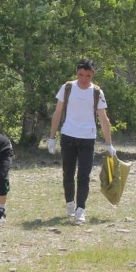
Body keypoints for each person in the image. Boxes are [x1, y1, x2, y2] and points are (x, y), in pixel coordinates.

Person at [47, 58, 114, 225]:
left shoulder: (97, 92)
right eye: (81, 75)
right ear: (76, 73)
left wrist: (109, 143)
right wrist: (51, 138)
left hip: (88, 138)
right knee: (68, 173)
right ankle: (70, 203)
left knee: (84, 175)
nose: (84, 79)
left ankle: (80, 210)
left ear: (93, 75)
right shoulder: (68, 87)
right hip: (68, 135)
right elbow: (57, 112)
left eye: (88, 75)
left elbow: (104, 119)